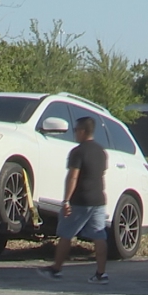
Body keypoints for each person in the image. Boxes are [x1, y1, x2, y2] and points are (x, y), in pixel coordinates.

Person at [38, 116, 110, 284]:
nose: (75, 133)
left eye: (76, 130)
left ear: (83, 131)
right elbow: (101, 176)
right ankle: (101, 274)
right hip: (99, 199)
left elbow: (73, 177)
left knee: (66, 234)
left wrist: (66, 201)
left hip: (80, 199)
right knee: (100, 236)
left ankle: (56, 269)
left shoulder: (77, 152)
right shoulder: (101, 152)